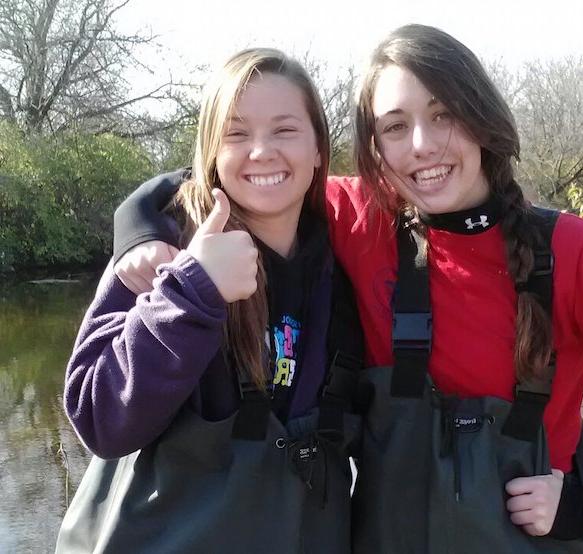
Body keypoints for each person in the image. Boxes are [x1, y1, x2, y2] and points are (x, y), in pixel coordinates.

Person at [111, 25, 583, 552]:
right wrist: (138, 235)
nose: (422, 146)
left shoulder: (573, 252)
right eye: (394, 126)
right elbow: (242, 172)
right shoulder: (359, 219)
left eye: (444, 115)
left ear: (483, 118)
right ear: (371, 147)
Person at [56, 48, 363, 554]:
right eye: (237, 134)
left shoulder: (346, 258)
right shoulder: (161, 250)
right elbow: (98, 418)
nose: (261, 151)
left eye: (285, 130)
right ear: (211, 153)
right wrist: (191, 291)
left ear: (318, 150)